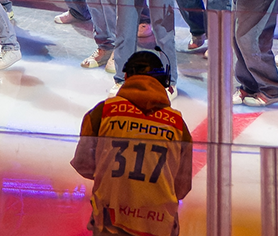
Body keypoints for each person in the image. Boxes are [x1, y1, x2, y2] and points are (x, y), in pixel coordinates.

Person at [71, 50, 193, 236]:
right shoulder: (178, 125)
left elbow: (83, 164)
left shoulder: (102, 112)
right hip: (159, 227)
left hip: (109, 223)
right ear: (164, 81)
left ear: (126, 76)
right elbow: (182, 187)